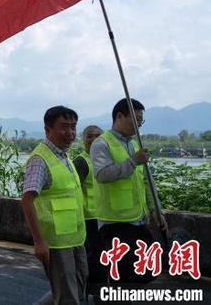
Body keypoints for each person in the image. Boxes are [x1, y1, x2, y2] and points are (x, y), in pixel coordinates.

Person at [91, 98, 166, 285]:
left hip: (137, 219)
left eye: (141, 120)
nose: (139, 125)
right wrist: (133, 161)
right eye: (136, 119)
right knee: (123, 276)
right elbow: (102, 174)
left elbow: (145, 180)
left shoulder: (133, 144)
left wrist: (156, 210)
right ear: (119, 116)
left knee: (150, 267)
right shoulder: (102, 144)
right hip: (115, 222)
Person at [21, 106, 87, 305]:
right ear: (48, 129)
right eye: (64, 127)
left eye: (73, 127)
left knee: (78, 288)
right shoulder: (40, 159)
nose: (70, 133)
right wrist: (39, 241)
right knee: (68, 297)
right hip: (56, 242)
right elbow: (27, 200)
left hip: (75, 237)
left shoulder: (64, 156)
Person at [72, 125, 105, 296]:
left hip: (104, 218)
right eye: (89, 136)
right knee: (91, 262)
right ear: (83, 140)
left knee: (102, 261)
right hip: (88, 220)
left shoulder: (104, 161)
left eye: (98, 136)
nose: (93, 140)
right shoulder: (81, 162)